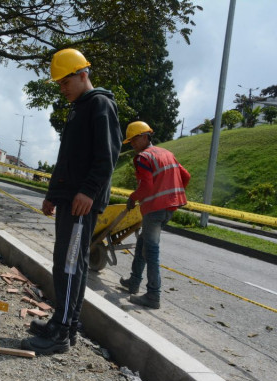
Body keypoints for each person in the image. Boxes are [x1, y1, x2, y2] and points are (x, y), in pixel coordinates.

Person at [21, 49, 122, 355]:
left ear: (82, 75)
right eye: (58, 83)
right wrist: (54, 193)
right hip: (71, 198)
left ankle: (62, 333)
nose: (62, 88)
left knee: (69, 265)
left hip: (82, 202)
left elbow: (108, 156)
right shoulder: (79, 108)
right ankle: (66, 323)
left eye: (65, 82)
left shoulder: (100, 104)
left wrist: (89, 191)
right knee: (65, 262)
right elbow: (67, 159)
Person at [119, 121, 190, 309]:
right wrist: (171, 194)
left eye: (134, 140)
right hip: (170, 208)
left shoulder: (143, 157)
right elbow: (186, 177)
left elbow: (147, 186)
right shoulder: (167, 154)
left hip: (155, 209)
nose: (132, 144)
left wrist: (133, 198)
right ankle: (134, 282)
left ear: (144, 137)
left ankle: (153, 295)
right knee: (143, 242)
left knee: (150, 251)